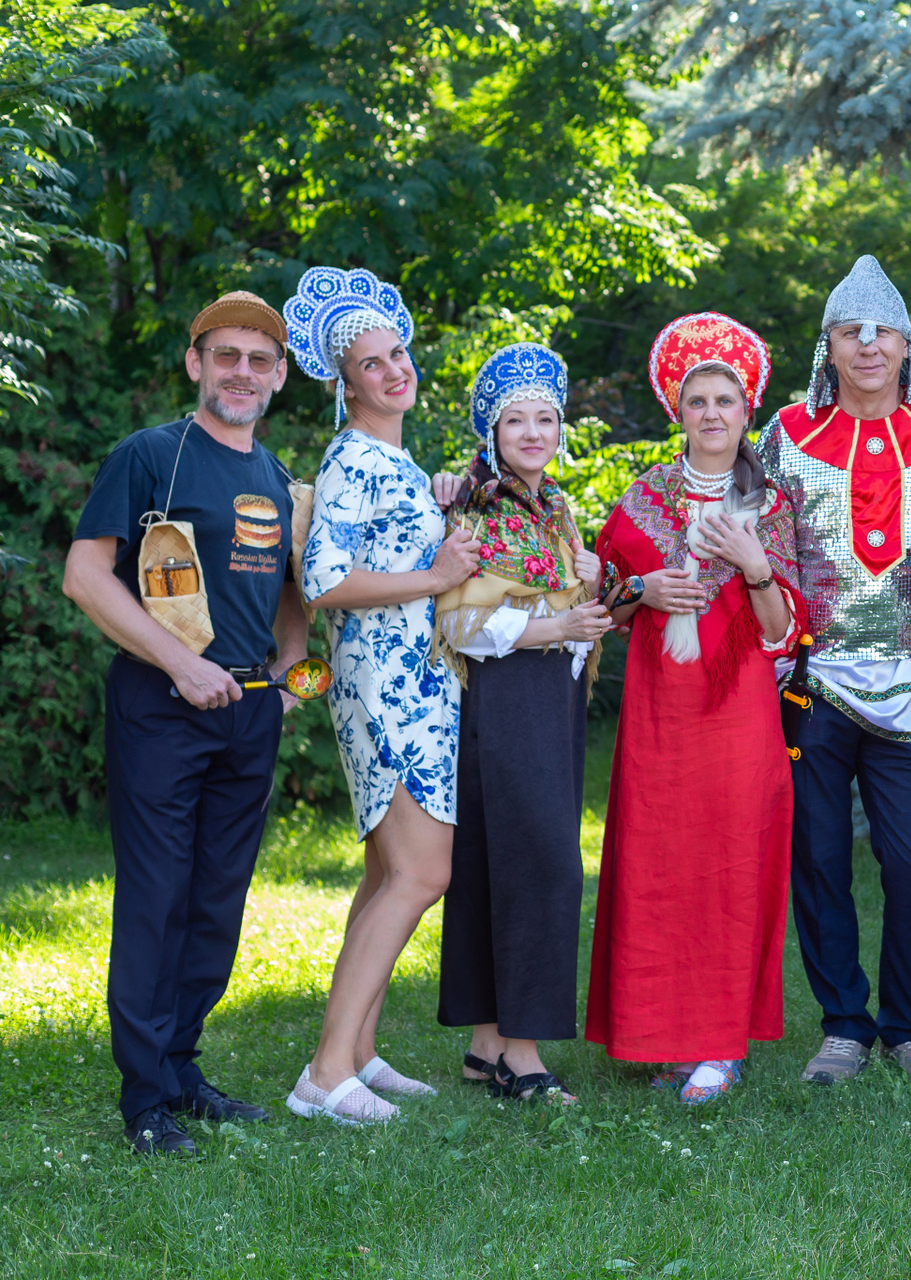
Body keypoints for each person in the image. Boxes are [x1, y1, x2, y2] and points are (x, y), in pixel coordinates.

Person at [63, 291, 309, 1154]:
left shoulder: (280, 480)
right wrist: (179, 663)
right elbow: (86, 576)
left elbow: (292, 593)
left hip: (248, 714)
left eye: (258, 360)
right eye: (226, 355)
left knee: (215, 902)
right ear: (195, 362)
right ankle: (144, 1100)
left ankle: (180, 1067)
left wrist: (288, 679)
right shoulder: (150, 456)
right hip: (160, 707)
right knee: (158, 898)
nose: (242, 372)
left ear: (279, 377)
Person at [754, 255, 911, 1085]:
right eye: (852, 332)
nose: (870, 345)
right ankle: (844, 1024)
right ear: (830, 346)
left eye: (885, 333)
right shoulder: (786, 435)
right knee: (817, 857)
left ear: (907, 345)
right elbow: (762, 548)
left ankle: (906, 1025)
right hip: (813, 684)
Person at [585, 312, 803, 1105]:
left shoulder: (771, 506)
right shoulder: (643, 497)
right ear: (677, 412)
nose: (712, 414)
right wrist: (641, 590)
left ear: (748, 412)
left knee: (730, 864)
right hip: (658, 714)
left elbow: (781, 632)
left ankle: (716, 1044)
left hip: (738, 712)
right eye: (698, 401)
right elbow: (601, 606)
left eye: (725, 401)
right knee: (658, 864)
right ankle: (660, 1034)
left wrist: (753, 566)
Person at [282, 266, 480, 1125]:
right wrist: (435, 575)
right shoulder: (353, 457)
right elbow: (324, 579)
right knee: (423, 871)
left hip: (415, 680)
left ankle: (356, 1051)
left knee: (385, 872)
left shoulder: (389, 458)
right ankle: (325, 1075)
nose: (394, 370)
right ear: (346, 383)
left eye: (398, 353)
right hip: (386, 684)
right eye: (372, 363)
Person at [433, 343, 612, 1103]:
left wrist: (592, 584)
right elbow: (460, 622)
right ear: (492, 432)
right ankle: (523, 1057)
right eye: (516, 420)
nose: (533, 432)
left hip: (548, 698)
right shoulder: (476, 508)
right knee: (543, 864)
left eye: (545, 418)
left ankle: (485, 1049)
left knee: (495, 860)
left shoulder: (556, 509)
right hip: (507, 694)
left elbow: (564, 602)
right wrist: (557, 629)